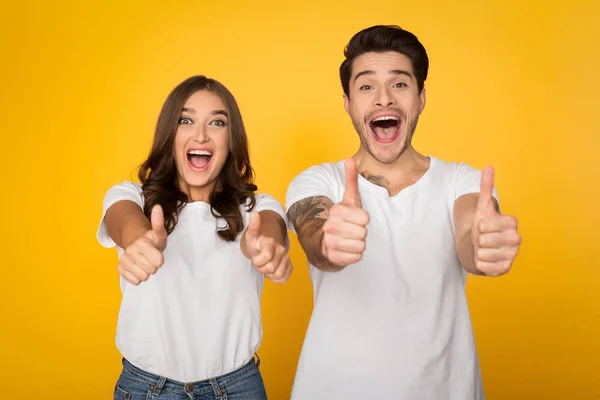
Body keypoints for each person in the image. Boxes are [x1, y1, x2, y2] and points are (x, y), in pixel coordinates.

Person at [285, 25, 522, 399]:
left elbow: (469, 235)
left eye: (399, 84)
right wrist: (328, 241)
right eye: (366, 87)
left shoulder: (461, 181)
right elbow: (314, 235)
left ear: (421, 97)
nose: (383, 100)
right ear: (348, 103)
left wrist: (481, 245)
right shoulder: (318, 182)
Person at [97, 75, 292, 400]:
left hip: (238, 389)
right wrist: (138, 239)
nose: (201, 134)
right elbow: (123, 219)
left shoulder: (256, 207)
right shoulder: (131, 196)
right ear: (169, 135)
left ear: (232, 139)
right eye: (186, 120)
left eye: (217, 122)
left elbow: (269, 228)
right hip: (146, 389)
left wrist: (266, 246)